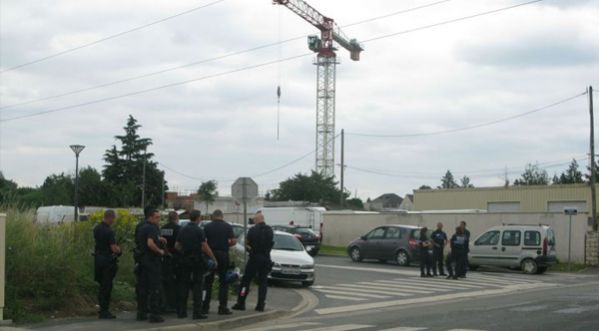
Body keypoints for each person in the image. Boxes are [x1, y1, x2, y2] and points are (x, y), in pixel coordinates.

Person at [175, 210, 218, 319]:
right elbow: (204, 246)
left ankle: (182, 312)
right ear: (198, 218)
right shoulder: (199, 230)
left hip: (185, 260)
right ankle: (197, 313)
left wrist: (184, 252)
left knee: (183, 285)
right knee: (197, 286)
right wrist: (213, 259)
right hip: (197, 260)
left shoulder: (183, 230)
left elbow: (177, 246)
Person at [232, 212, 274, 312]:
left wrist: (250, 249)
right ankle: (260, 304)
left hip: (254, 258)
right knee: (263, 282)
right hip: (266, 258)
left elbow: (247, 244)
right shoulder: (270, 230)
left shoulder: (252, 230)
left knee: (246, 281)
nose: (254, 222)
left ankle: (241, 302)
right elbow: (271, 243)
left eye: (254, 220)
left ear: (257, 220)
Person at [202, 209, 237, 315]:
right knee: (224, 282)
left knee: (208, 282)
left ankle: (204, 307)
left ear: (213, 216)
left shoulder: (207, 226)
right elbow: (234, 241)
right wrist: (226, 245)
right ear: (222, 216)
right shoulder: (227, 226)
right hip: (223, 255)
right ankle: (222, 307)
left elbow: (203, 242)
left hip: (210, 256)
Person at [136, 208, 166, 323]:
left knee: (143, 288)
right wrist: (160, 251)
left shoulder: (142, 227)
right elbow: (150, 243)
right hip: (152, 261)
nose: (159, 219)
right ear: (150, 217)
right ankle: (154, 314)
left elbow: (144, 241)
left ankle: (141, 313)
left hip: (143, 260)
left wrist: (160, 238)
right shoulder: (153, 228)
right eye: (157, 217)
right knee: (155, 288)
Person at [93, 209, 121, 319]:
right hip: (107, 261)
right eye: (113, 219)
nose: (114, 221)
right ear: (110, 217)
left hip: (98, 259)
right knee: (107, 286)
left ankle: (101, 309)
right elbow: (113, 248)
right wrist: (119, 250)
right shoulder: (109, 231)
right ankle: (104, 311)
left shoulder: (97, 229)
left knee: (101, 286)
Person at [160, 211, 181, 313]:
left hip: (164, 256)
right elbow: (179, 244)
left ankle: (165, 303)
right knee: (175, 281)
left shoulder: (163, 228)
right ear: (176, 218)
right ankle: (174, 304)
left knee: (165, 281)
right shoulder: (178, 229)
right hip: (175, 256)